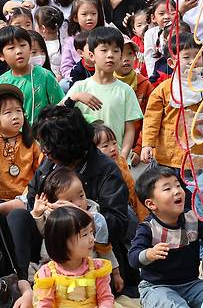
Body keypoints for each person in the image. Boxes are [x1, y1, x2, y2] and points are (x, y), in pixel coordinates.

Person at [7, 105, 129, 281]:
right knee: (17, 217)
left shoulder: (105, 169)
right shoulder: (50, 164)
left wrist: (78, 215)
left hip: (92, 252)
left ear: (66, 145)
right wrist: (41, 210)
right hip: (49, 244)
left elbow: (118, 223)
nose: (44, 151)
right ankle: (21, 282)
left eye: (48, 146)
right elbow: (31, 200)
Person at [129, 166, 203, 308]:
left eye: (178, 185)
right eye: (167, 188)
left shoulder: (192, 218)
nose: (177, 191)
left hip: (191, 284)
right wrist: (149, 253)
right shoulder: (148, 228)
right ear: (151, 204)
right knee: (174, 305)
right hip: (155, 287)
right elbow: (133, 258)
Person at [13, 206, 133, 308]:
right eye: (85, 234)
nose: (92, 239)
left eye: (91, 232)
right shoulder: (48, 273)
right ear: (61, 242)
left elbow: (106, 297)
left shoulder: (97, 268)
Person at [31, 167, 123, 292]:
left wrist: (116, 273)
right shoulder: (54, 216)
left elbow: (105, 249)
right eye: (69, 201)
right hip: (55, 270)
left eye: (81, 195)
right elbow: (43, 232)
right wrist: (37, 214)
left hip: (88, 271)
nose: (78, 203)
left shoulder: (96, 218)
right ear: (56, 203)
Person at [65, 27, 143, 159]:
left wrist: (123, 157)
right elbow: (58, 114)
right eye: (104, 50)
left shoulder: (126, 90)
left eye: (116, 50)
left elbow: (130, 129)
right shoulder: (80, 87)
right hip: (84, 160)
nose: (110, 55)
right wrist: (75, 97)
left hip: (115, 159)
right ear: (91, 55)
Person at [140, 33, 203, 174]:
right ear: (171, 63)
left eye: (197, 56)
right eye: (186, 57)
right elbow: (151, 120)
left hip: (197, 156)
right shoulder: (164, 89)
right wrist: (147, 144)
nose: (192, 61)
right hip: (168, 156)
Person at [0, 26, 63, 124]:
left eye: (22, 45)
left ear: (30, 48)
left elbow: (60, 106)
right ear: (1, 56)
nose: (19, 51)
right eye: (11, 48)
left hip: (42, 135)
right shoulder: (2, 82)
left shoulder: (45, 76)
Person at [0, 84, 40, 215]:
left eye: (18, 110)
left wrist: (27, 195)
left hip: (26, 199)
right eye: (8, 112)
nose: (15, 116)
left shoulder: (32, 143)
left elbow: (40, 173)